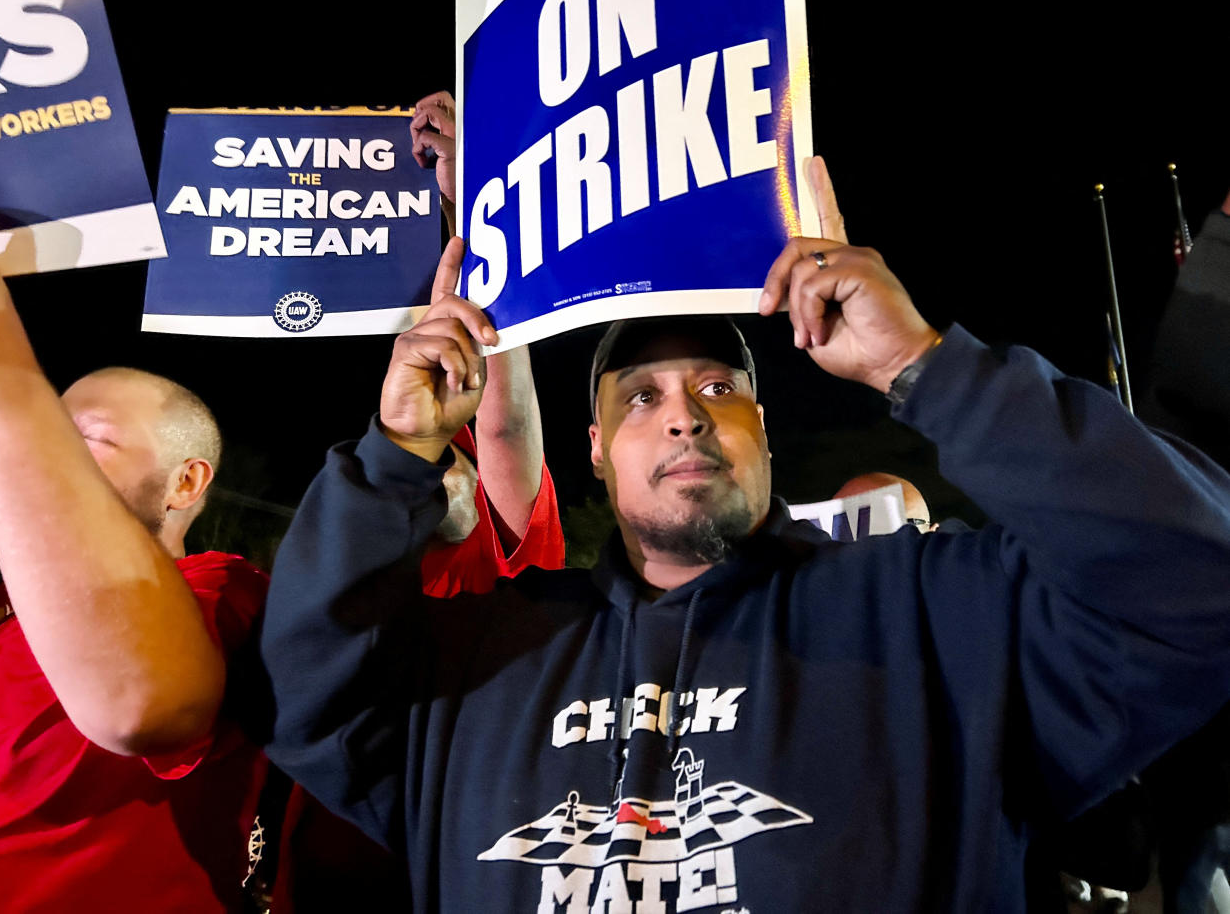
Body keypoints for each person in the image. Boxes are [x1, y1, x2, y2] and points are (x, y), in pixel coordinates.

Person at [256, 163, 1230, 911]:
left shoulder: (936, 611)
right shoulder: (481, 656)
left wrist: (925, 368)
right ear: (595, 451)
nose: (685, 415)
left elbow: (1193, 580)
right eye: (642, 397)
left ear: (765, 430)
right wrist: (395, 455)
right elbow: (305, 679)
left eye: (719, 389)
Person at [266, 90, 566, 912]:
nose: (444, 474)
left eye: (456, 462)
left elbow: (502, 422)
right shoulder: (336, 583)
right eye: (425, 463)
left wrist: (476, 207)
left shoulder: (505, 564)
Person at [0, 261, 269, 912]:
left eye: (84, 439)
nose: (49, 457)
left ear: (186, 483)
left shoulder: (223, 593)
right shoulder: (11, 614)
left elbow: (141, 705)